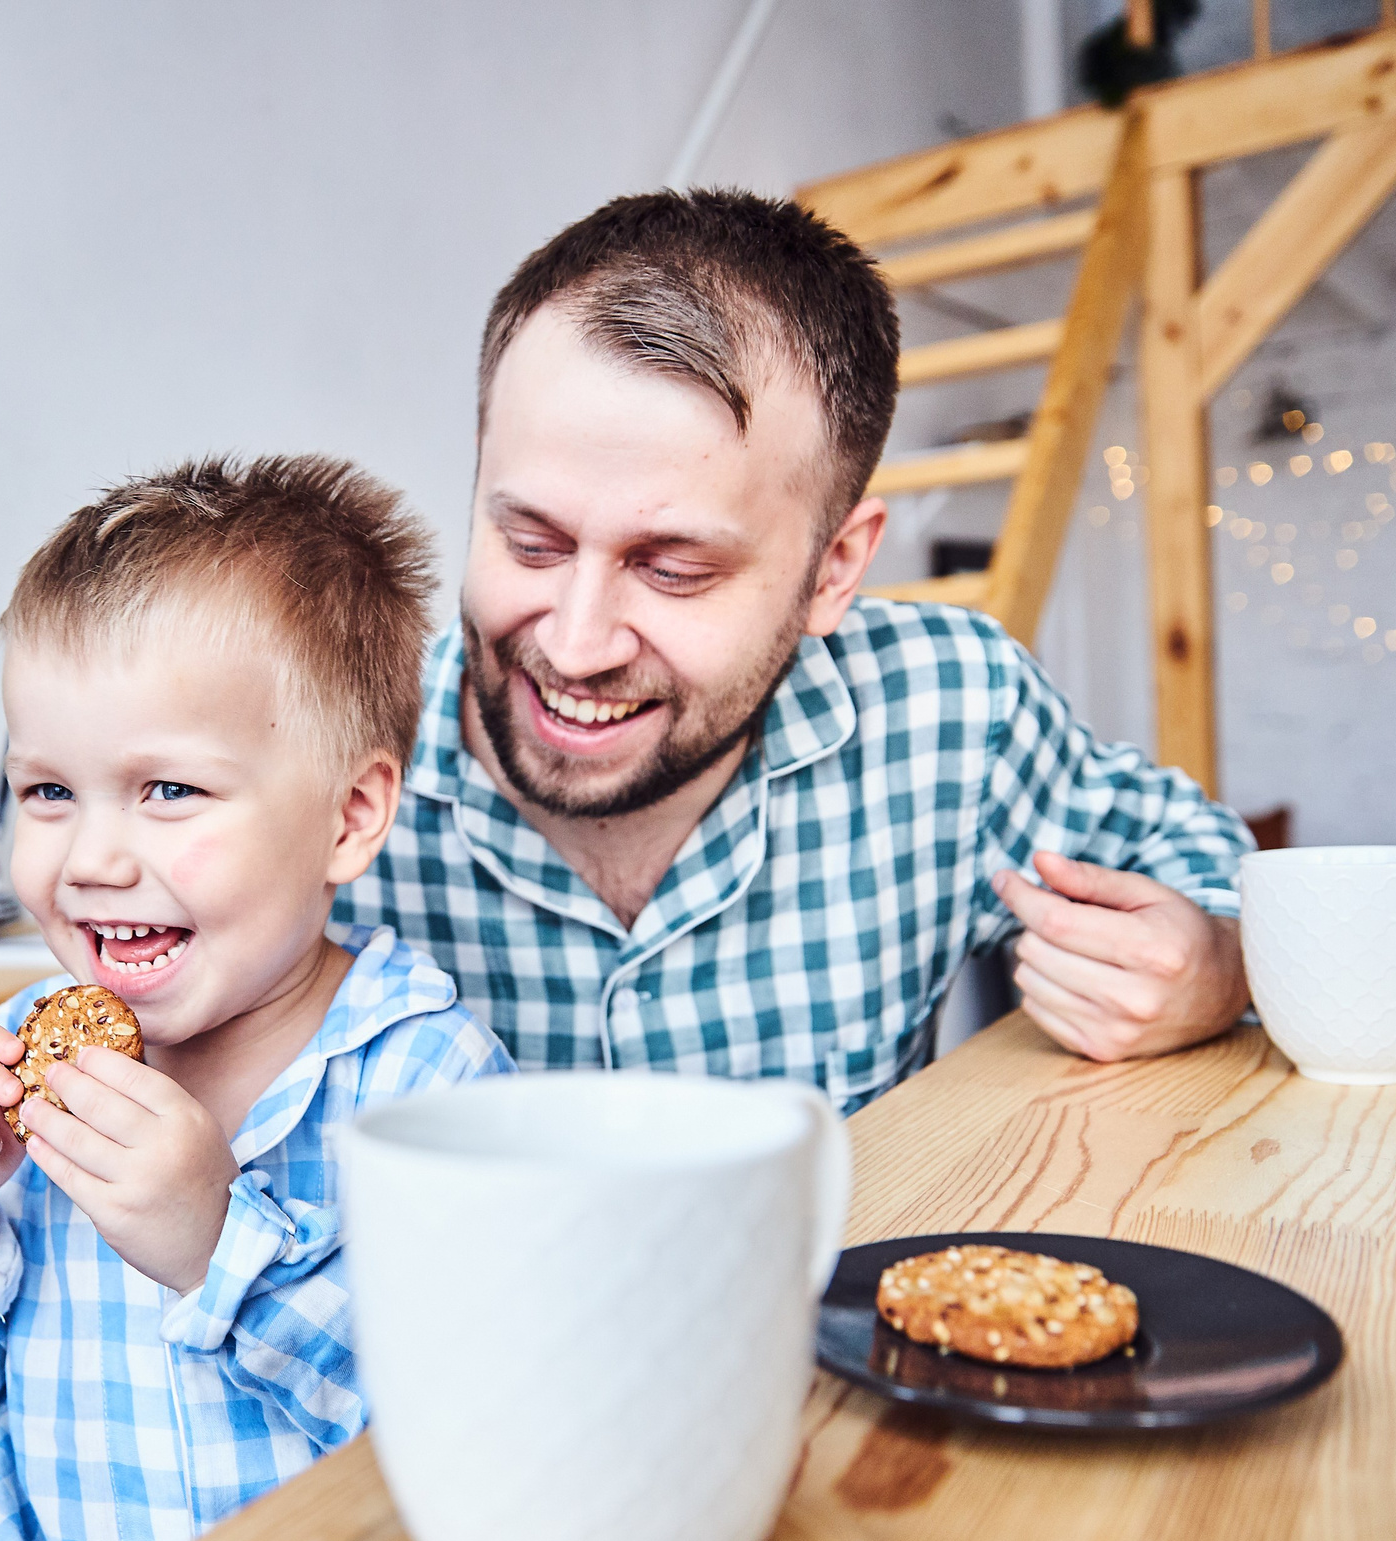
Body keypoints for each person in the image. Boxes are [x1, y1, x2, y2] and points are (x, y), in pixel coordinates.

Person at [0, 457, 514, 1541]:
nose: (91, 856)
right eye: (47, 790)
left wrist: (218, 1244)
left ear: (350, 818)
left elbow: (483, 1439)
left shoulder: (428, 1077)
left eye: (167, 789)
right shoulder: (18, 1048)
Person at [336, 190, 1254, 1109]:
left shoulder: (951, 713)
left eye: (676, 570)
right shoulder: (321, 752)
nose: (575, 648)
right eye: (531, 542)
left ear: (834, 570)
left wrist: (1217, 968)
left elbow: (1207, 869)